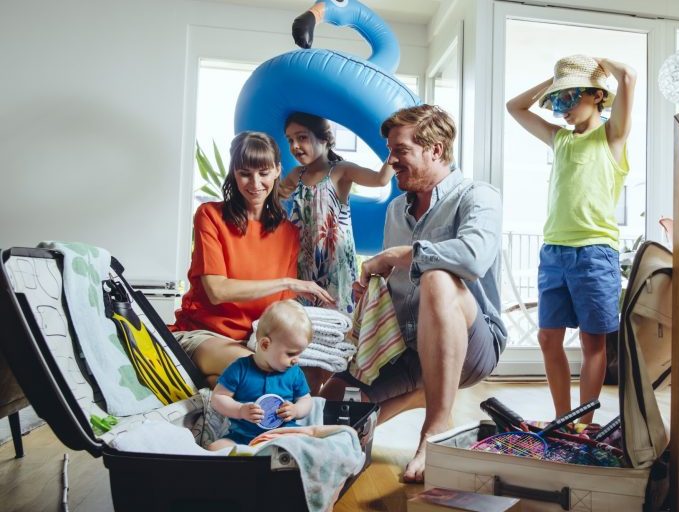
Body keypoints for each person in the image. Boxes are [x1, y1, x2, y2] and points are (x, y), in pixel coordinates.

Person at [320, 105, 507, 483]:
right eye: (390, 150)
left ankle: (435, 428)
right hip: (405, 348)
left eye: (400, 150)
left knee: (438, 278)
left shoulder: (477, 196)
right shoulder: (395, 211)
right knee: (332, 406)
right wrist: (371, 294)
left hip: (472, 346)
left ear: (435, 150)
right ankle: (421, 395)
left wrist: (398, 255)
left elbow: (472, 258)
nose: (390, 160)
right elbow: (396, 284)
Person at [506, 55, 636, 423]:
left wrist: (601, 64)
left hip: (594, 253)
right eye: (557, 100)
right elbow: (514, 107)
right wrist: (553, 83)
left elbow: (628, 76)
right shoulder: (559, 139)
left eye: (569, 98)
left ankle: (583, 425)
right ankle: (563, 420)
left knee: (593, 343)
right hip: (554, 253)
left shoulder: (611, 137)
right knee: (548, 338)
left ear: (597, 95)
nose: (561, 108)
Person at [169, 131, 333, 387]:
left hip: (254, 343)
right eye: (245, 173)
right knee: (257, 372)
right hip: (203, 336)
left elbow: (279, 309)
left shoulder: (288, 233)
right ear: (234, 173)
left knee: (301, 377)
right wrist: (288, 282)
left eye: (263, 172)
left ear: (277, 170)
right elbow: (217, 291)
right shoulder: (210, 215)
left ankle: (214, 386)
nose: (255, 183)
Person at [280, 112, 394, 316]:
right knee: (301, 320)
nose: (295, 145)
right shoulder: (296, 175)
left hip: (335, 266)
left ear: (324, 139)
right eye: (290, 140)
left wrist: (396, 148)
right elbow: (273, 197)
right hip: (303, 265)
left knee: (337, 319)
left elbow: (380, 179)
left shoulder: (341, 171)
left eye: (302, 137)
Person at [207, 300, 313, 450]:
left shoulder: (294, 372)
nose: (296, 360)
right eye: (291, 354)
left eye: (299, 354)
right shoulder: (240, 369)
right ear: (265, 344)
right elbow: (218, 397)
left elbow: (306, 400)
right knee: (215, 448)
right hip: (244, 438)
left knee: (309, 442)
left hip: (284, 435)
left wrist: (296, 410)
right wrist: (240, 410)